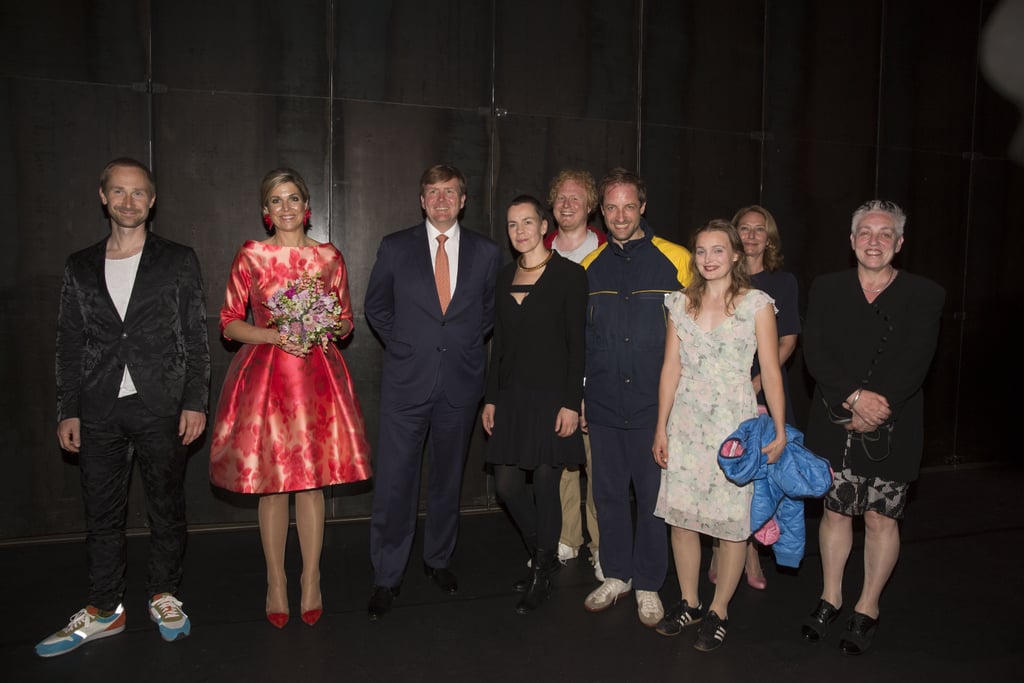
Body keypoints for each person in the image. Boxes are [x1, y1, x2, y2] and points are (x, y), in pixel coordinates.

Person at [38, 157, 211, 657]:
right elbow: (68, 342)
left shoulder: (178, 259)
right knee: (102, 514)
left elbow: (197, 336)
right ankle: (104, 609)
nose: (128, 201)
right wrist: (67, 408)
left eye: (138, 193)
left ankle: (164, 594)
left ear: (152, 201)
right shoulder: (80, 265)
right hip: (97, 408)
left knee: (166, 508)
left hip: (161, 403)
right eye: (119, 192)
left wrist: (195, 401)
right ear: (103, 197)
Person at [208, 168, 372, 629]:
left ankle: (312, 579)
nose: (285, 208)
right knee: (273, 484)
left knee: (311, 482)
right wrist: (276, 335)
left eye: (293, 198)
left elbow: (345, 322)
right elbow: (227, 321)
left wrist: (326, 324)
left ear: (307, 206)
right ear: (265, 211)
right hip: (266, 378)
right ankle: (276, 581)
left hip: (318, 378)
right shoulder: (252, 256)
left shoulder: (328, 257)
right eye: (276, 200)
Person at [799, 200, 944, 655]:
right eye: (865, 232)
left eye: (885, 234)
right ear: (851, 241)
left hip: (894, 422)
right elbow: (815, 351)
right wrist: (854, 399)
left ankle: (867, 606)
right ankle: (830, 597)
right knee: (836, 513)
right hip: (835, 415)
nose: (874, 241)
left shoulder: (926, 294)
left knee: (881, 519)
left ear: (899, 243)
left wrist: (876, 408)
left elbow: (917, 361)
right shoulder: (826, 287)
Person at [364, 164, 501, 620]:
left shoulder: (486, 252)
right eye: (432, 193)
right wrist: (406, 344)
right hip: (407, 382)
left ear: (463, 200)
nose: (441, 200)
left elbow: (487, 313)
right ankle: (387, 573)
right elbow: (376, 307)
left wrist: (456, 346)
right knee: (395, 481)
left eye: (450, 193)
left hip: (460, 384)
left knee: (447, 480)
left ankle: (438, 559)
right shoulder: (396, 247)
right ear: (422, 200)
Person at [652, 219, 788, 652]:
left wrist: (779, 430)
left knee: (731, 526)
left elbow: (770, 370)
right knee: (681, 518)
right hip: (686, 424)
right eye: (701, 251)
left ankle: (719, 609)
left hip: (734, 425)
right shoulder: (678, 304)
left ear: (734, 255)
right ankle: (689, 602)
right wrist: (661, 426)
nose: (708, 258)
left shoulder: (757, 305)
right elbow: (670, 368)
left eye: (718, 250)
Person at [579, 168, 692, 627]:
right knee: (606, 495)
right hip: (604, 402)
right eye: (611, 207)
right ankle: (617, 575)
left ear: (643, 206)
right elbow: (581, 339)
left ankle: (648, 583)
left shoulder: (678, 261)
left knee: (651, 498)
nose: (620, 215)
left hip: (656, 406)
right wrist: (582, 396)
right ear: (601, 212)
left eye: (629, 205)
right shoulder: (590, 267)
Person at [481, 195, 587, 613]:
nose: (520, 230)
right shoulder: (505, 275)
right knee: (507, 486)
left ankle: (542, 572)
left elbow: (577, 346)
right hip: (510, 397)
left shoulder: (570, 276)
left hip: (551, 398)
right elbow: (500, 345)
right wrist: (490, 399)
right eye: (512, 224)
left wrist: (571, 403)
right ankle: (543, 554)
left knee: (546, 485)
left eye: (528, 222)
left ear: (545, 225)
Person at [707, 204, 801, 590]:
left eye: (758, 230)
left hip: (763, 388)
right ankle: (724, 548)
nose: (750, 236)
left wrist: (759, 382)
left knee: (759, 478)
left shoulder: (783, 282)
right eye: (742, 229)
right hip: (722, 393)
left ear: (769, 237)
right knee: (723, 473)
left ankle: (751, 552)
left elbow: (788, 339)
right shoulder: (720, 276)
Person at [545, 170, 606, 578]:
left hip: (599, 377)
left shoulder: (607, 251)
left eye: (576, 198)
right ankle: (568, 538)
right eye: (560, 198)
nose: (567, 205)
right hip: (552, 378)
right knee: (563, 464)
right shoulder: (535, 249)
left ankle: (604, 547)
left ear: (590, 206)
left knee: (600, 469)